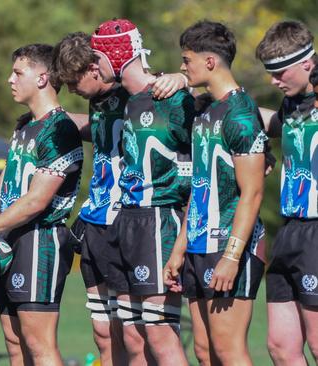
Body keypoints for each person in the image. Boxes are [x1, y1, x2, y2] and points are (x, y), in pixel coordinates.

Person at [50, 31, 188, 366]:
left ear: (94, 70)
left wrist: (182, 78)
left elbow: (197, 105)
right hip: (98, 221)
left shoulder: (144, 91)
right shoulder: (98, 99)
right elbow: (98, 129)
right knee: (107, 332)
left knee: (145, 334)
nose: (70, 90)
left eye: (73, 82)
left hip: (135, 218)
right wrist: (48, 119)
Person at [0, 44, 83, 366]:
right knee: (14, 343)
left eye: (17, 72)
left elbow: (36, 200)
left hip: (41, 240)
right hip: (9, 237)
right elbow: (3, 187)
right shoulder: (24, 126)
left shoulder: (60, 129)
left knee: (38, 343)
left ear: (42, 78)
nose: (9, 79)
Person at [89, 19, 194, 365]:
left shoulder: (171, 97)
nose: (94, 66)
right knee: (134, 338)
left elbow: (215, 118)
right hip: (127, 220)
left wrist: (185, 79)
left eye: (97, 58)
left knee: (161, 335)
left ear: (115, 56)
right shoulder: (124, 100)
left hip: (158, 218)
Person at [164, 20, 268, 365]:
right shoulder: (206, 110)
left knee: (229, 351)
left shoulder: (241, 114)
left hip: (228, 247)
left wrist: (232, 256)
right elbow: (200, 186)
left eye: (187, 59)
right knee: (205, 352)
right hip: (197, 245)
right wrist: (180, 249)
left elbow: (252, 193)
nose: (183, 67)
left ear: (210, 62)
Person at [255, 20, 318, 364]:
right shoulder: (292, 105)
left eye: (280, 72)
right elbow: (275, 123)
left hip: (316, 229)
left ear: (308, 63)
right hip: (289, 231)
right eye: (270, 72)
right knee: (281, 347)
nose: (274, 81)